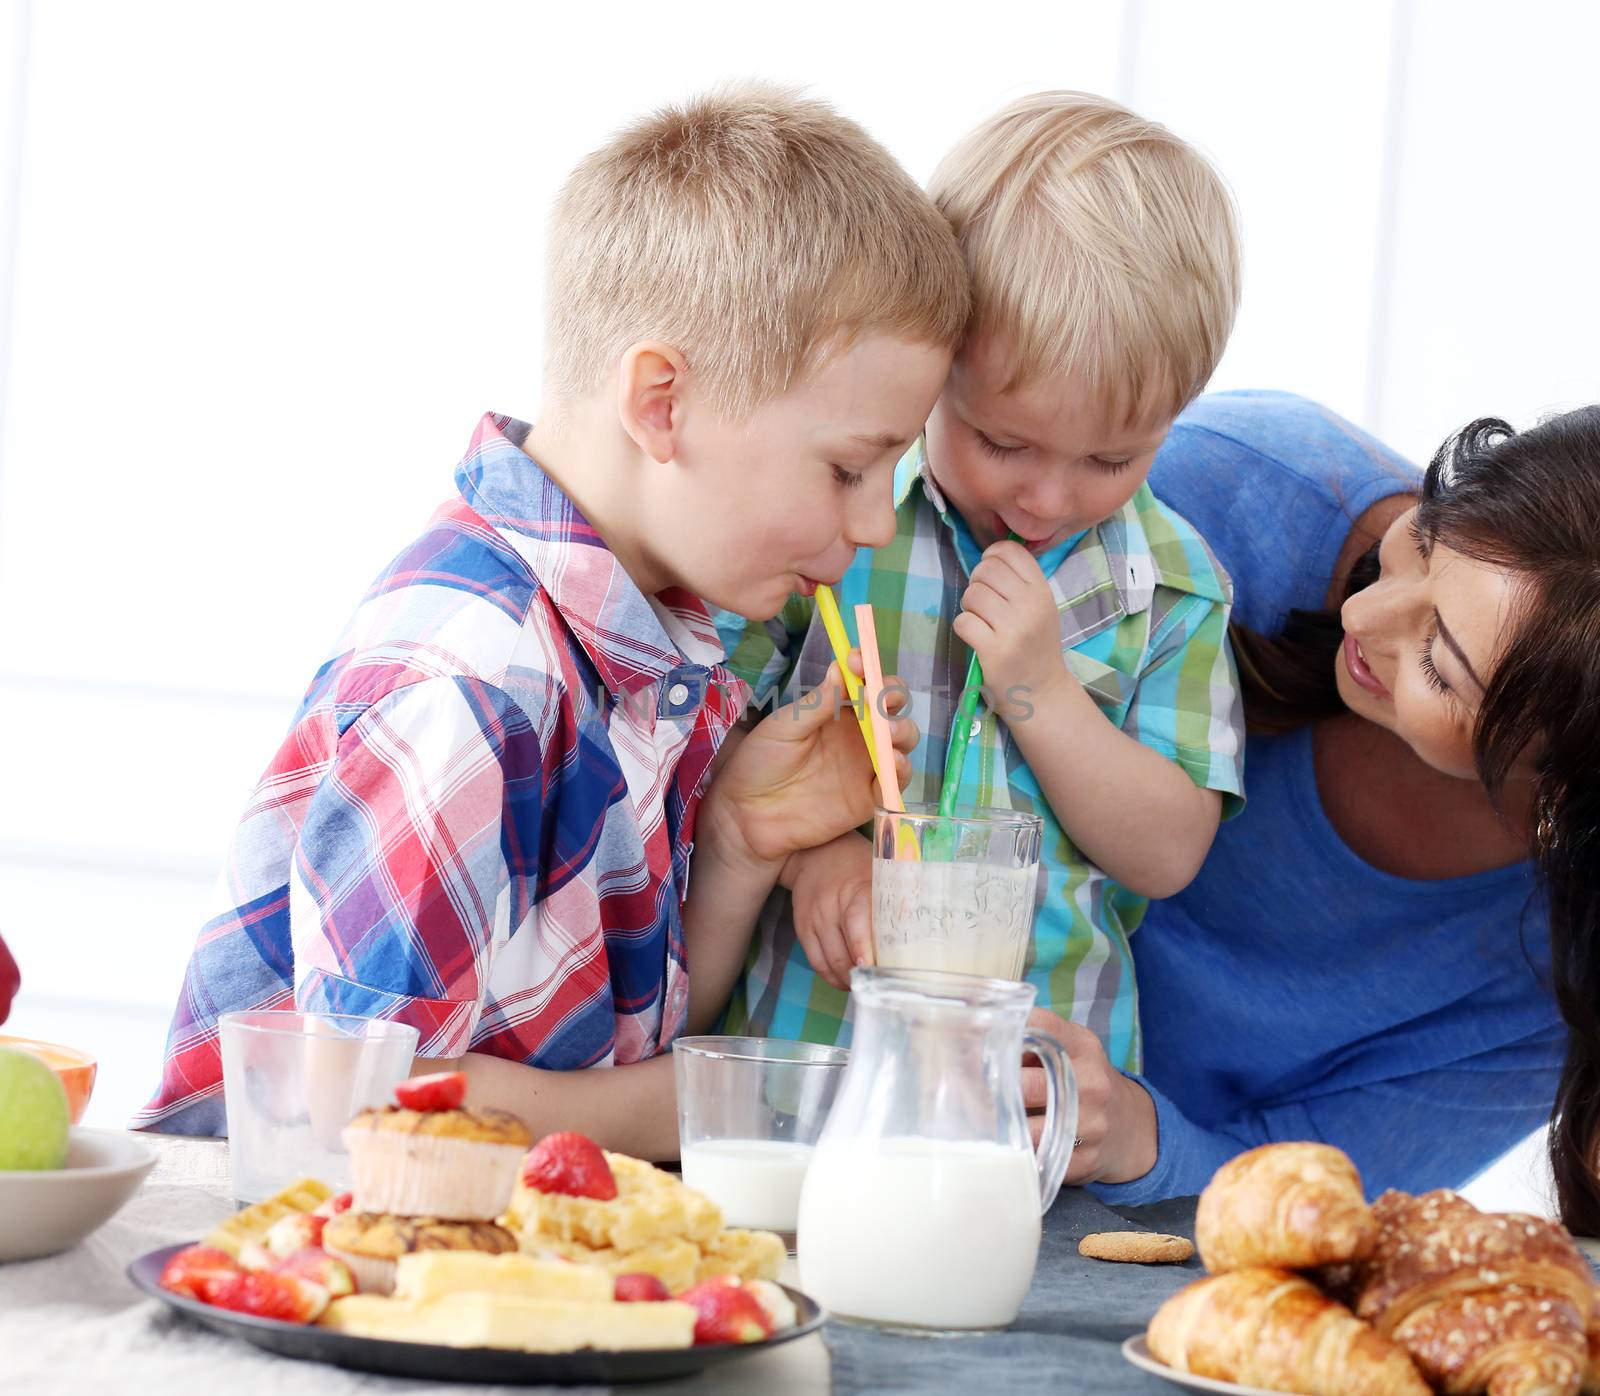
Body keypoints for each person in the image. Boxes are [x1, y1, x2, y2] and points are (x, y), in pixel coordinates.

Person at [133, 84, 967, 1157]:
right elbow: (369, 1121)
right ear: (661, 403)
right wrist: (698, 1100)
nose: (875, 524)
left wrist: (739, 844)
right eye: (852, 466)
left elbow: (615, 1039)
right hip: (284, 1254)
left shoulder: (656, 637)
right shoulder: (479, 682)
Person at [717, 92, 1245, 1135]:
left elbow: (1168, 852)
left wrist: (1043, 691)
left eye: (1111, 458)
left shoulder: (1175, 587)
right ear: (935, 367)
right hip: (806, 1080)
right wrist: (817, 851)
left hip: (1024, 1107)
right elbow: (713, 755)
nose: (1047, 498)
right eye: (1002, 441)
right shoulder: (834, 529)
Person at [1038, 390, 1597, 1229]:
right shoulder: (1233, 484)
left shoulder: (1548, 990)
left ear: (1560, 786)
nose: (1364, 613)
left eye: (1439, 666)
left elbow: (1319, 1195)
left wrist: (1127, 1131)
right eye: (1426, 540)